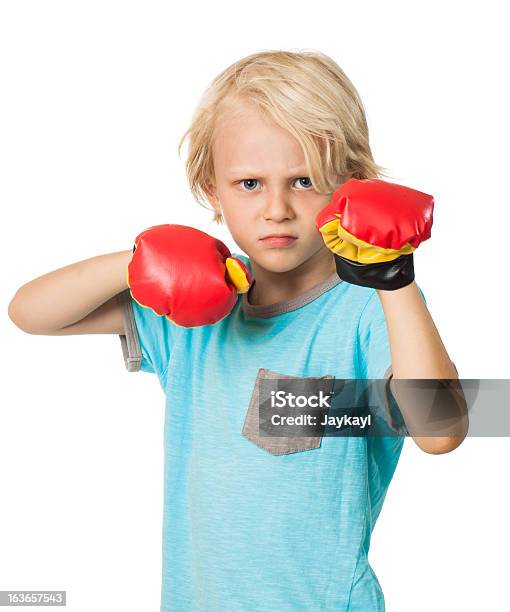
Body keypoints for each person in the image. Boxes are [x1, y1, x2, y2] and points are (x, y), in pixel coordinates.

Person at [8, 49, 466, 611]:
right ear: (211, 188)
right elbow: (29, 313)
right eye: (249, 183)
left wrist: (395, 282)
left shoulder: (368, 309)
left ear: (352, 186)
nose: (276, 208)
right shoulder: (195, 310)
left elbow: (441, 431)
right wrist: (136, 262)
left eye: (304, 180)